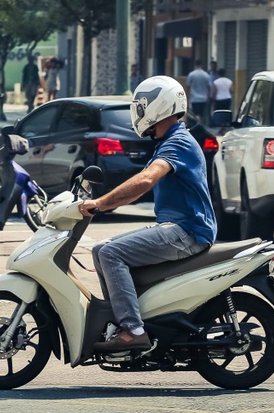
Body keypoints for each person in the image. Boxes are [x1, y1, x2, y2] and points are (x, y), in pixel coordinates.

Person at [79, 75, 217, 352]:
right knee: (100, 249)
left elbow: (145, 181)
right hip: (176, 227)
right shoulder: (171, 141)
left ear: (160, 106)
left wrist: (102, 202)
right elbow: (141, 186)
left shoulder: (178, 142)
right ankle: (125, 319)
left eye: (143, 106)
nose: (138, 113)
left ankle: (133, 329)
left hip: (188, 231)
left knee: (110, 253)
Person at [186, 59, 213, 124]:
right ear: (201, 65)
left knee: (195, 114)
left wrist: (187, 98)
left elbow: (188, 87)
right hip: (204, 99)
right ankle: (201, 124)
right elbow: (209, 87)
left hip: (194, 99)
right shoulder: (206, 75)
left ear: (195, 65)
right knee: (202, 114)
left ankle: (197, 124)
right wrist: (209, 97)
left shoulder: (191, 75)